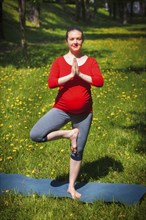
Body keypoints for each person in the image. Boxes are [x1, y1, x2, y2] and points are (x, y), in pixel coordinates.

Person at [30, 26, 104, 199]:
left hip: (84, 113)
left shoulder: (91, 61)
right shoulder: (59, 61)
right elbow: (51, 83)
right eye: (72, 39)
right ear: (67, 41)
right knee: (36, 134)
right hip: (61, 110)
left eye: (78, 38)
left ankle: (71, 187)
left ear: (82, 40)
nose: (75, 42)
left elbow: (99, 82)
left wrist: (80, 74)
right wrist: (71, 75)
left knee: (77, 151)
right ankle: (69, 134)